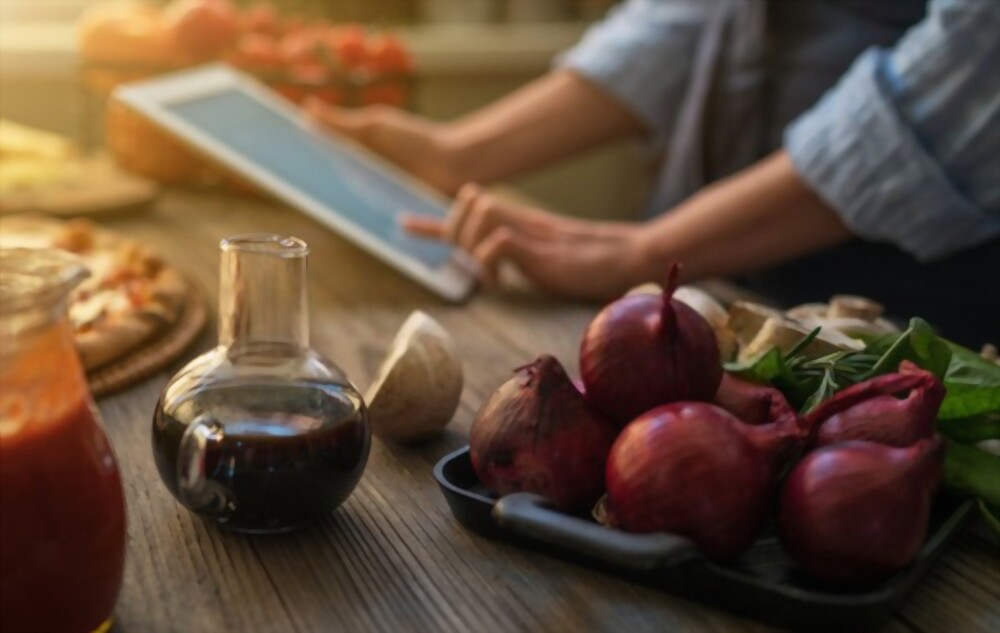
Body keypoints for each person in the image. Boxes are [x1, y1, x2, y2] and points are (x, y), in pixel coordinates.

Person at [306, 0, 1000, 347]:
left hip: (916, 302)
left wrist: (642, 249)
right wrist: (458, 154)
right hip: (716, 271)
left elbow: (973, 68)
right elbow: (691, 11)